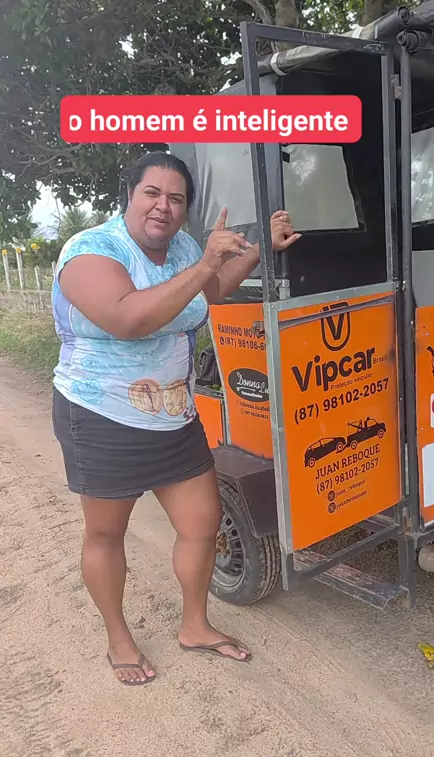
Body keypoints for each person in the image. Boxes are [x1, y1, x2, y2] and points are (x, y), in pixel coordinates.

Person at [51, 150, 301, 686]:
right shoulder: (91, 251)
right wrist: (205, 265)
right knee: (106, 533)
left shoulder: (185, 248)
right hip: (100, 414)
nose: (163, 206)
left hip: (174, 413)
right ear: (129, 195)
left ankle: (195, 625)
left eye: (176, 198)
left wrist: (260, 248)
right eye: (152, 193)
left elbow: (212, 290)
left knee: (202, 523)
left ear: (186, 208)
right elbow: (127, 318)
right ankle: (119, 638)